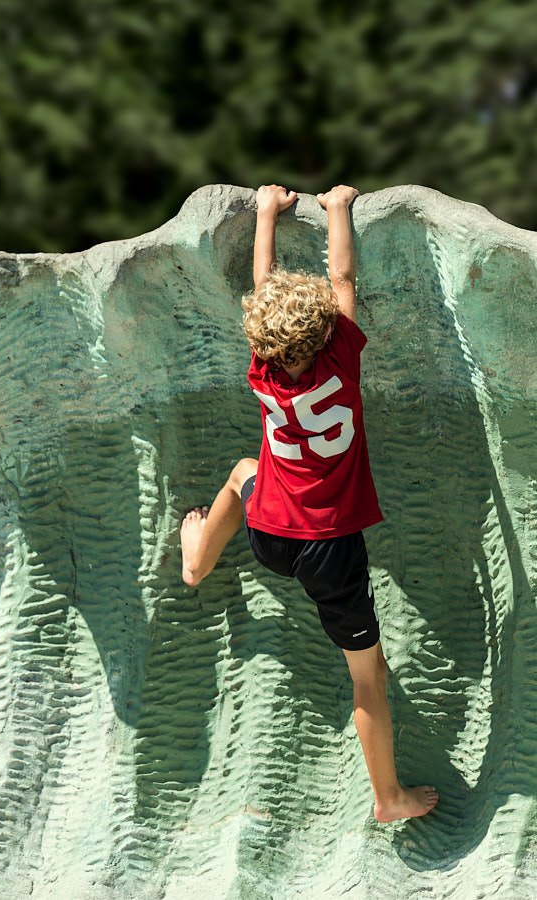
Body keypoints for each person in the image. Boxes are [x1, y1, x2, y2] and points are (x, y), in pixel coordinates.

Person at [180, 183, 438, 823]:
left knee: (244, 469)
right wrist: (340, 207)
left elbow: (262, 281)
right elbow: (343, 275)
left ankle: (196, 559)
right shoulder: (342, 359)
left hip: (268, 527)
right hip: (329, 551)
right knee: (367, 677)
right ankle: (388, 799)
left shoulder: (261, 366)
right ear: (325, 331)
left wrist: (267, 211)